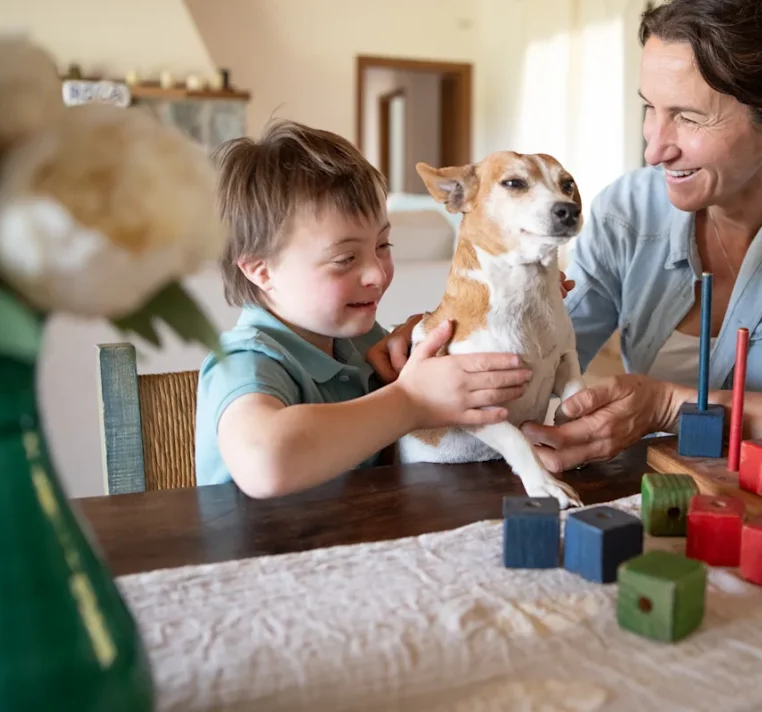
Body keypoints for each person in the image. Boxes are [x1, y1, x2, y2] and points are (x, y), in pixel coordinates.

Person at [369, 0, 762, 476]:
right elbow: (546, 338)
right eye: (651, 108)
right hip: (663, 497)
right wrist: (446, 339)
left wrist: (676, 407)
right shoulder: (629, 210)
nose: (654, 148)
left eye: (689, 117)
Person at [194, 120, 533, 497]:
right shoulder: (245, 361)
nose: (377, 273)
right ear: (262, 271)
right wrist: (411, 401)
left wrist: (427, 342)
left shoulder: (363, 340)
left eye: (383, 245)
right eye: (345, 258)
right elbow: (266, 463)